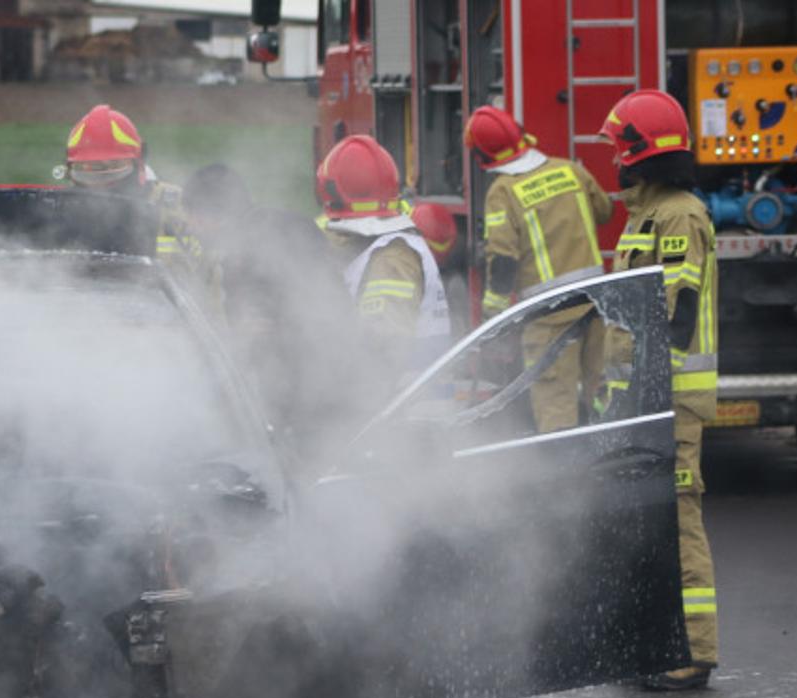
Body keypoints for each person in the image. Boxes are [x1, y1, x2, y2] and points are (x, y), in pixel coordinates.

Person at [599, 90, 719, 690]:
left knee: (676, 520)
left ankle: (691, 651)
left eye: (618, 150)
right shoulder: (645, 217)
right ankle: (652, 642)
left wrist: (649, 392)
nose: (613, 162)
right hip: (641, 401)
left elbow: (678, 314)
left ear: (637, 156)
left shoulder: (679, 217)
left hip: (668, 401)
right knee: (643, 524)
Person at [183, 163, 364, 455]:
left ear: (215, 213)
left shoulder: (243, 255)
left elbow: (255, 335)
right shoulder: (287, 224)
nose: (191, 226)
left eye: (194, 215)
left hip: (305, 405)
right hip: (344, 385)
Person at [465, 106, 614, 432]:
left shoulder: (502, 192)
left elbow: (503, 261)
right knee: (605, 399)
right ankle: (612, 471)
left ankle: (566, 482)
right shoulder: (570, 170)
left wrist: (493, 316)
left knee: (555, 408)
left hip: (548, 320)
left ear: (482, 157)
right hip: (596, 308)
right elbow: (604, 211)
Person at [313, 135, 452, 382]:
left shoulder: (391, 260)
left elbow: (386, 350)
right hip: (407, 409)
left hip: (410, 412)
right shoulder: (383, 247)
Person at [63, 104, 218, 316]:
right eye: (87, 173)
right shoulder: (59, 214)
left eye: (111, 170)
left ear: (140, 162)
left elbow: (211, 284)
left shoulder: (178, 211)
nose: (99, 187)